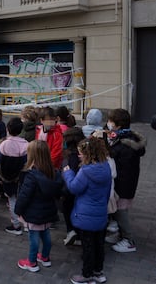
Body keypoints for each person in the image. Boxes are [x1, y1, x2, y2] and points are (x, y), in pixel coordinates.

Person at [63, 137, 112, 284]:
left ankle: (87, 275)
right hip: (100, 213)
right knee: (98, 245)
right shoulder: (106, 167)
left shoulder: (85, 171)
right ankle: (98, 272)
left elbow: (73, 188)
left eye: (81, 153)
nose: (79, 155)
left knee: (88, 247)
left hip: (86, 215)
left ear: (89, 154)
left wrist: (68, 173)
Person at [14, 140, 63, 273]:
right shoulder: (54, 172)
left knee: (33, 237)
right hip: (48, 211)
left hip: (33, 212)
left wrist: (18, 210)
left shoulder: (31, 175)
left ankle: (31, 262)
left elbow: (24, 196)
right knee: (46, 234)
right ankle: (45, 257)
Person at [105, 108, 146, 253]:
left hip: (124, 186)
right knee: (118, 210)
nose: (108, 124)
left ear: (118, 125)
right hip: (124, 184)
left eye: (110, 122)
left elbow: (123, 168)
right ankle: (121, 235)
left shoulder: (125, 145)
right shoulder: (123, 138)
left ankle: (128, 240)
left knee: (121, 212)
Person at [0, 117, 28, 235]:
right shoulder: (26, 144)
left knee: (12, 200)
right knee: (24, 199)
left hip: (7, 177)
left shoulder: (4, 144)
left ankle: (16, 225)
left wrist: (2, 177)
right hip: (21, 178)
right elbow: (27, 163)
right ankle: (27, 224)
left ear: (8, 129)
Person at [61, 127, 85, 246]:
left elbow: (68, 175)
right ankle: (79, 234)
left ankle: (71, 231)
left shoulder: (69, 157)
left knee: (68, 209)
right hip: (81, 191)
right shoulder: (84, 154)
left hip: (70, 189)